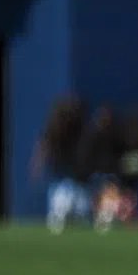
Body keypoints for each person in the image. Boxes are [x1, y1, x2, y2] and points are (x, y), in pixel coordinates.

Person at [33, 95, 90, 233]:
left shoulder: (78, 127)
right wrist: (38, 164)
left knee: (77, 203)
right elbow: (43, 146)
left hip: (72, 171)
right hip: (62, 169)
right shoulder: (55, 127)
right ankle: (58, 221)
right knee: (62, 199)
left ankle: (63, 221)